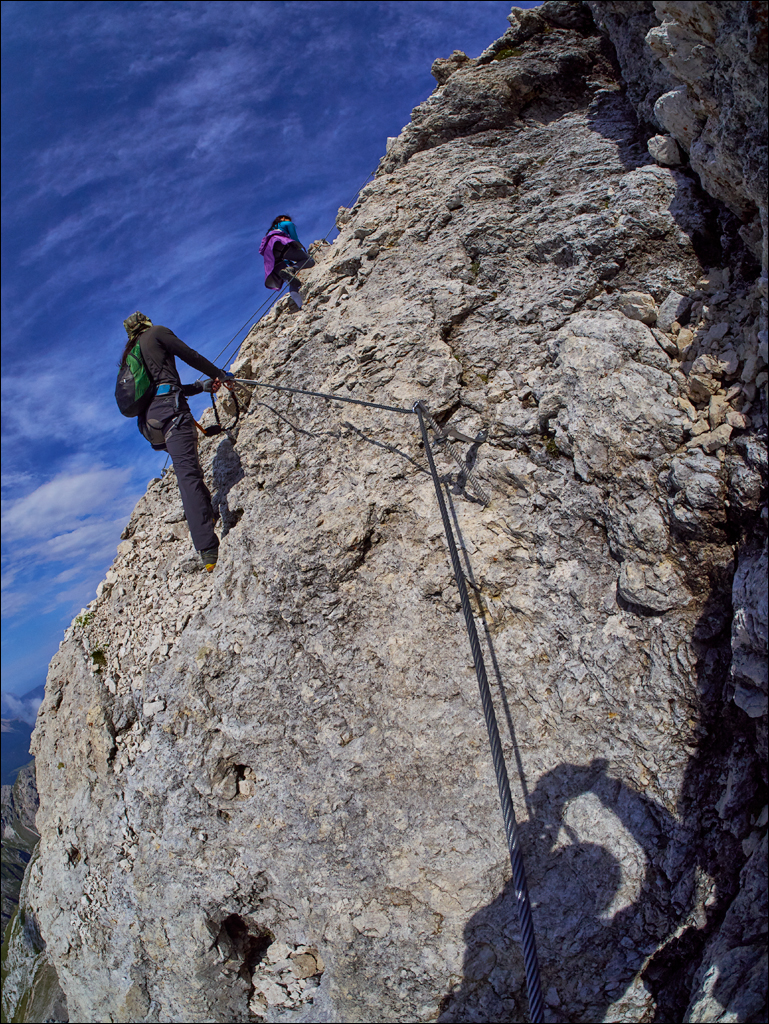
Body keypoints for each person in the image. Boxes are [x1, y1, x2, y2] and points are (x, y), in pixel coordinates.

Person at [121, 311, 233, 571]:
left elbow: (160, 387)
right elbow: (190, 355)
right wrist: (220, 374)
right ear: (146, 322)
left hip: (152, 424)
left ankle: (208, 518)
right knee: (188, 476)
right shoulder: (157, 333)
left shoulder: (131, 353)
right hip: (173, 414)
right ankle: (208, 549)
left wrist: (200, 387)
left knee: (186, 473)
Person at [259, 215, 316, 309]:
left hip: (273, 255)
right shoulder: (286, 223)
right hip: (283, 247)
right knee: (309, 261)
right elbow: (294, 237)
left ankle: (300, 305)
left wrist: (288, 262)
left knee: (293, 281)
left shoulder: (270, 233)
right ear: (282, 218)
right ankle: (292, 269)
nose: (289, 221)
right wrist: (299, 248)